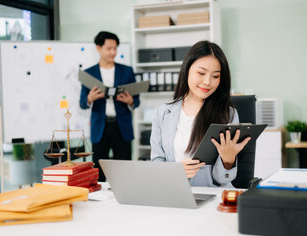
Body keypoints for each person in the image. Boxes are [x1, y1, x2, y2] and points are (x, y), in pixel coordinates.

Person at [150, 40, 250, 187]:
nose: (207, 82)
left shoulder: (227, 114)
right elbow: (157, 162)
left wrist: (227, 160)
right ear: (187, 69)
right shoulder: (163, 113)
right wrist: (175, 171)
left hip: (213, 194)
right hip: (175, 191)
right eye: (201, 73)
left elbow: (223, 180)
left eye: (215, 76)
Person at [80, 31, 140, 181]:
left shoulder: (127, 71)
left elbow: (137, 100)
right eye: (109, 48)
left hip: (122, 127)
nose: (113, 52)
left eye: (115, 48)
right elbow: (82, 103)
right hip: (100, 127)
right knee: (99, 172)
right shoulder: (89, 74)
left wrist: (130, 101)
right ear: (98, 48)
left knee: (124, 170)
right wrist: (89, 98)